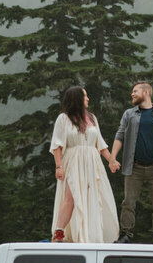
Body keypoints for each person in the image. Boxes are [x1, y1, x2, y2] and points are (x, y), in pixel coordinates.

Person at [109, 80, 153, 244]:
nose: (132, 94)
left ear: (146, 92)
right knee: (128, 202)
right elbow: (120, 135)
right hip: (134, 166)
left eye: (135, 91)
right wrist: (113, 157)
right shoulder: (129, 114)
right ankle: (125, 235)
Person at [50, 86, 120, 243]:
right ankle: (59, 233)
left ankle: (90, 235)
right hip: (73, 160)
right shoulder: (63, 118)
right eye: (85, 96)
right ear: (76, 99)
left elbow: (100, 144)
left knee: (92, 198)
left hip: (91, 162)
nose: (88, 99)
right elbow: (57, 144)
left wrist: (111, 161)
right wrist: (58, 166)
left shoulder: (92, 118)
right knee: (70, 197)